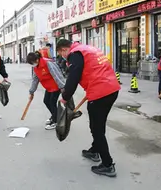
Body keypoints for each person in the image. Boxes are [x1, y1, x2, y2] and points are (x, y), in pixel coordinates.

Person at [56, 39, 121, 177]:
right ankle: (95, 150)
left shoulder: (74, 54)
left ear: (63, 49)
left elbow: (73, 77)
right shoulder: (86, 49)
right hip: (111, 88)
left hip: (100, 92)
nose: (63, 56)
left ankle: (108, 165)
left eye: (61, 53)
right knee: (98, 124)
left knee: (96, 129)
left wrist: (65, 97)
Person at [27, 51, 66, 130]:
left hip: (56, 86)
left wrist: (62, 87)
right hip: (48, 87)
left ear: (37, 60)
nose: (32, 65)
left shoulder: (48, 63)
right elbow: (35, 80)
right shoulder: (35, 67)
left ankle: (56, 121)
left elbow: (57, 74)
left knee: (52, 102)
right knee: (46, 101)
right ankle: (54, 115)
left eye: (32, 63)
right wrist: (31, 91)